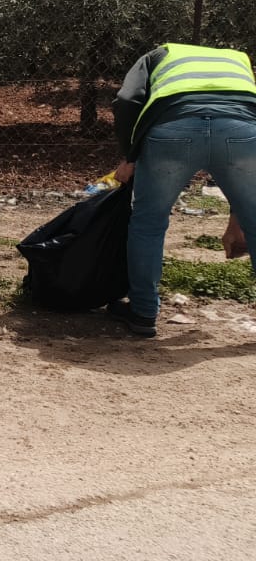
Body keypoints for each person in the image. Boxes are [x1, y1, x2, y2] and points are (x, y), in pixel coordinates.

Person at [109, 41, 256, 338]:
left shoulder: (159, 54)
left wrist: (130, 156)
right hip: (242, 131)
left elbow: (126, 99)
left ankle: (143, 313)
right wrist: (238, 216)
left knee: (149, 223)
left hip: (173, 129)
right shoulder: (238, 58)